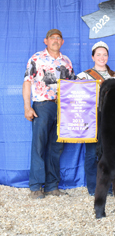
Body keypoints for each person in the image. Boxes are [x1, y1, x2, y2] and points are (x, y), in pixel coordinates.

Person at [23, 29, 76, 199]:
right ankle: (36, 186)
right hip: (42, 105)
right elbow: (27, 83)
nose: (55, 40)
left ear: (62, 42)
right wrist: (27, 107)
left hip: (62, 108)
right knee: (39, 145)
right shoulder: (36, 58)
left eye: (58, 38)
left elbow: (73, 87)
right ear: (46, 41)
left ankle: (52, 186)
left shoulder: (67, 62)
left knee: (56, 147)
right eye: (52, 38)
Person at [77, 41, 115, 196]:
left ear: (108, 57)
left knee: (107, 153)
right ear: (93, 57)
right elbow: (77, 98)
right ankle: (92, 188)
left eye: (105, 54)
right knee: (91, 153)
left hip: (109, 117)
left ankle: (107, 187)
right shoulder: (83, 76)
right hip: (90, 116)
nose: (102, 57)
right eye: (98, 55)